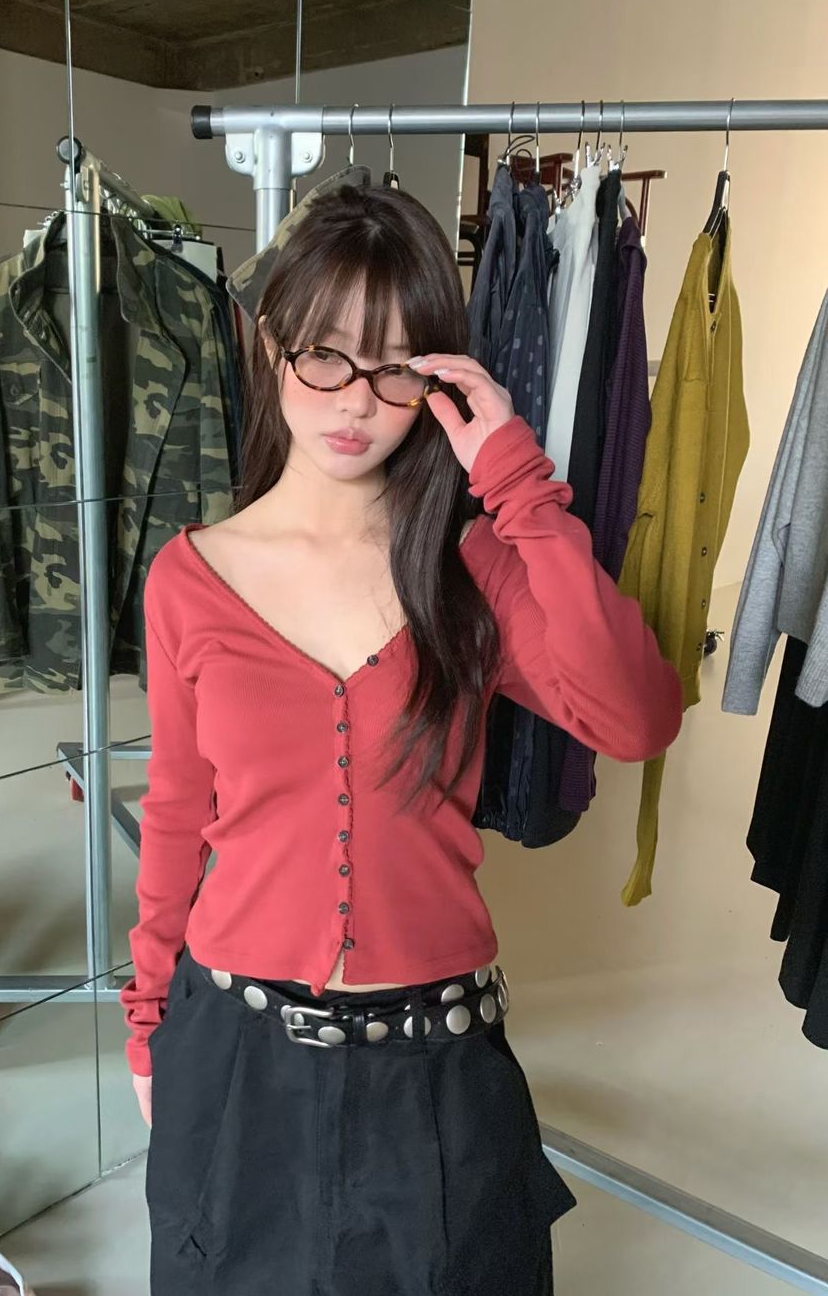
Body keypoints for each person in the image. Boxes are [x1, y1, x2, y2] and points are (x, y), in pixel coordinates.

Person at [120, 185, 683, 1295]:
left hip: (435, 1064)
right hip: (232, 1050)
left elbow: (635, 716)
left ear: (436, 378)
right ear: (272, 343)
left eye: (393, 368)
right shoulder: (189, 577)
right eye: (325, 355)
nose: (355, 401)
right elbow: (179, 815)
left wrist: (518, 485)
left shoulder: (467, 567)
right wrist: (146, 1026)